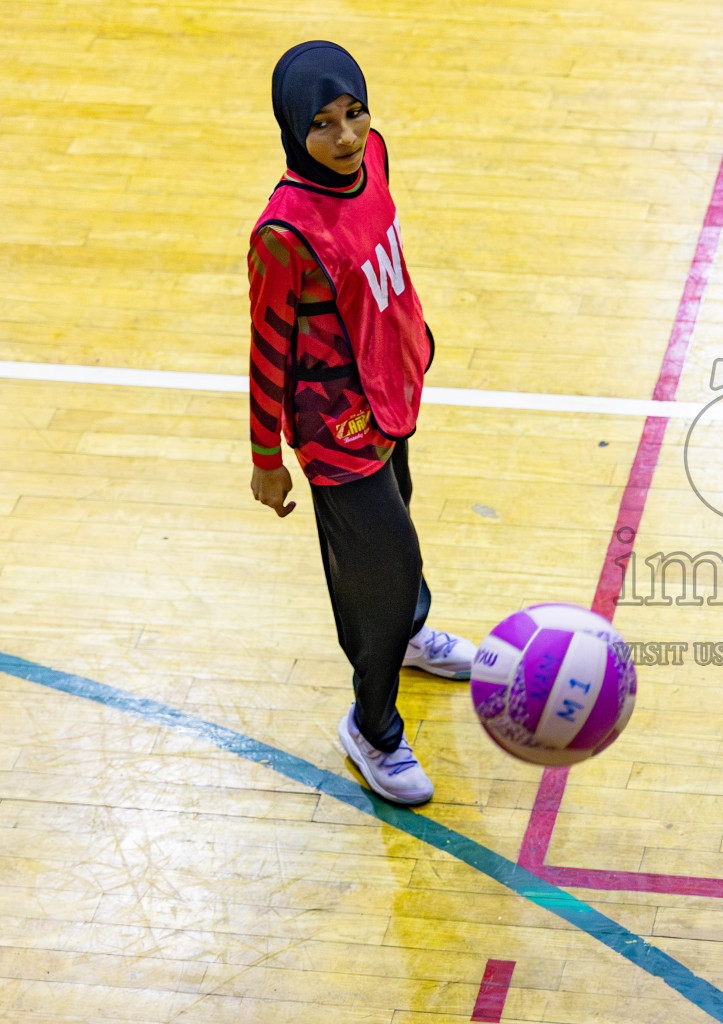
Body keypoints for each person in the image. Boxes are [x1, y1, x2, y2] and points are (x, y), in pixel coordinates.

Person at [247, 40, 474, 806]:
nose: (344, 137)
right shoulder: (283, 236)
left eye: (353, 113)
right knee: (385, 566)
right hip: (331, 425)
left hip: (391, 390)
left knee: (399, 537)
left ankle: (408, 636)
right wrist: (265, 456)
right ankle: (372, 728)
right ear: (290, 129)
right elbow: (266, 351)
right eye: (321, 124)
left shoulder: (374, 157)